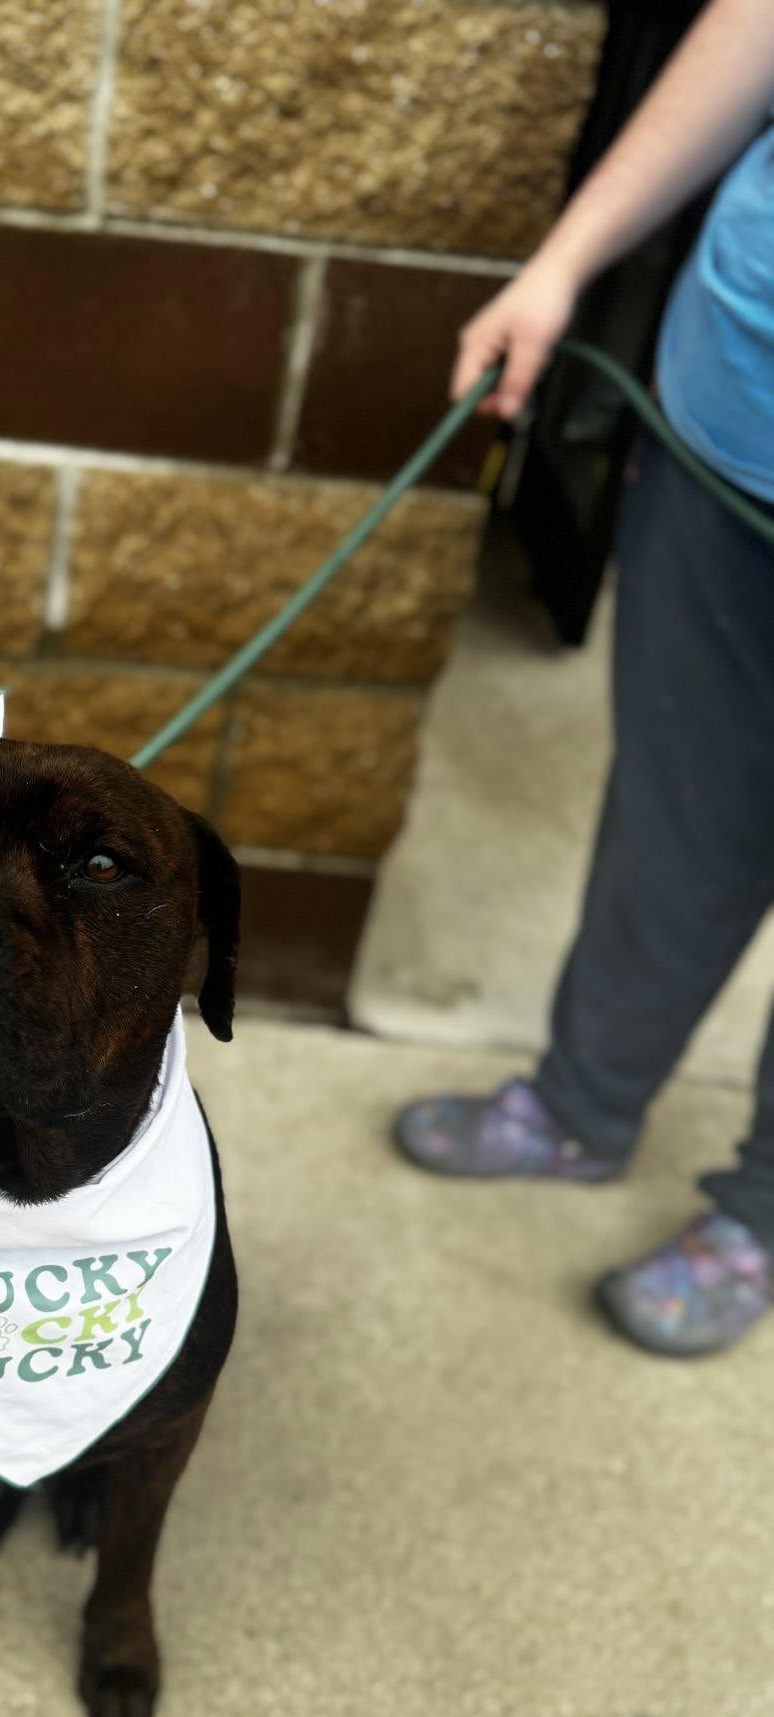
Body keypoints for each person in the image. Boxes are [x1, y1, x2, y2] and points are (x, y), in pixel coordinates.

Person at [394, 0, 774, 1359]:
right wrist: (564, 262)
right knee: (677, 819)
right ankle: (581, 1106)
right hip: (734, 424)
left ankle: (765, 1214)